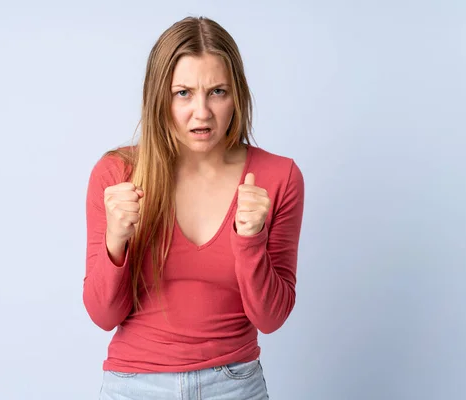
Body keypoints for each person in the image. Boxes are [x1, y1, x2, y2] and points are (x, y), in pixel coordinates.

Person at [83, 15, 305, 399]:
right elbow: (103, 316)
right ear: (159, 96)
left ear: (237, 94)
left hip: (235, 385)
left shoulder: (278, 176)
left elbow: (271, 318)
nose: (201, 112)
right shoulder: (118, 174)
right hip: (135, 385)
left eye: (217, 91)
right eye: (183, 93)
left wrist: (250, 241)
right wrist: (116, 241)